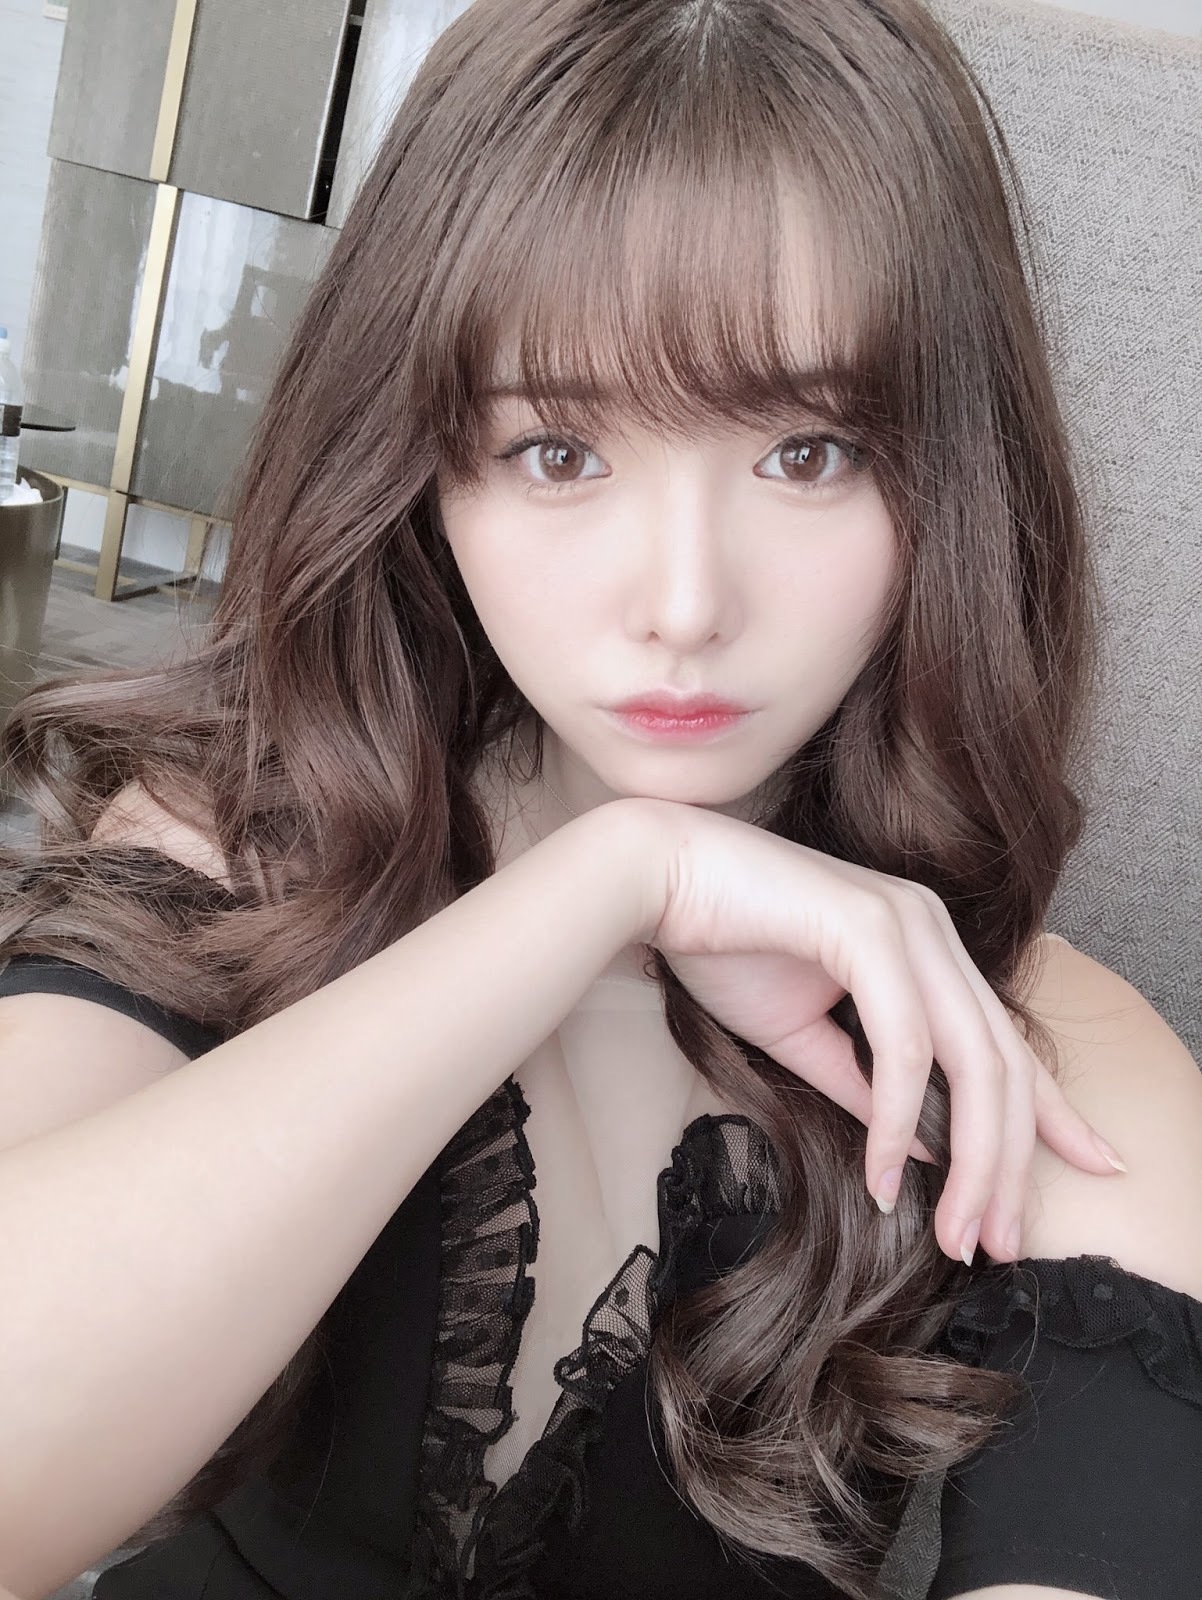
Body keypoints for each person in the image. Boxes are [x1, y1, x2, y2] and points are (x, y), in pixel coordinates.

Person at [0, 0, 1198, 1596]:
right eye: (558, 451)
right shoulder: (235, 853)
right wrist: (609, 884)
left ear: (950, 478)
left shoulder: (1035, 1052)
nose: (683, 604)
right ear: (422, 467)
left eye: (811, 451)